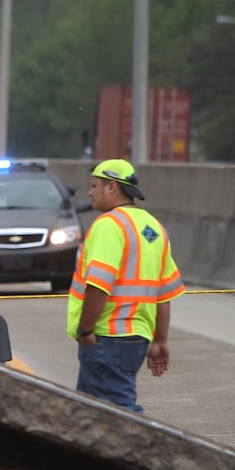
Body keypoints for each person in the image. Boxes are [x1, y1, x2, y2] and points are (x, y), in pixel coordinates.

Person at [69, 158, 184, 413]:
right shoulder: (154, 228)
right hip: (137, 338)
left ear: (112, 187)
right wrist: (159, 341)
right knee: (87, 417)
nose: (90, 192)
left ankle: (149, 452)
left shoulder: (109, 225)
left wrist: (86, 331)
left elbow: (99, 284)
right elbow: (163, 294)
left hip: (106, 337)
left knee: (120, 420)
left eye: (94, 185)